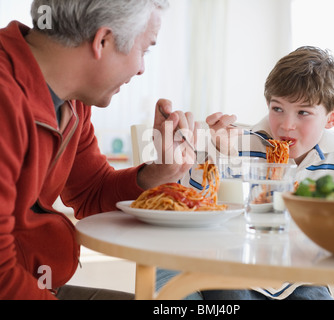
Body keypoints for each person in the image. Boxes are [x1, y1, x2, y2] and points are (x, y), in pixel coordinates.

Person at [0, 0, 201, 300]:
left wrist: (159, 172)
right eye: (144, 50)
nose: (142, 69)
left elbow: (90, 192)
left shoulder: (72, 99)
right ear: (102, 41)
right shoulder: (6, 100)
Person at [157, 46, 334, 300]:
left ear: (332, 117)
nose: (286, 125)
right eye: (277, 108)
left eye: (303, 112)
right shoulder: (237, 144)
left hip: (302, 276)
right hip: (234, 268)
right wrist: (219, 154)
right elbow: (187, 204)